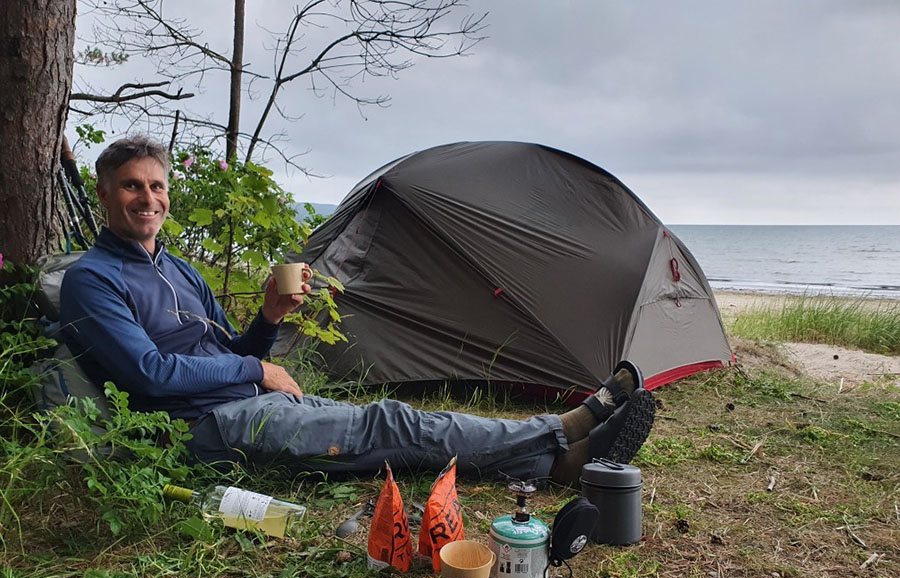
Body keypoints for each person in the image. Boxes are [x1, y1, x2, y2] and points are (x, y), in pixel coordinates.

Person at [60, 136, 655, 484]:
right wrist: (256, 371)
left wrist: (268, 320)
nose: (148, 198)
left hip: (244, 402)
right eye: (132, 186)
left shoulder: (179, 268)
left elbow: (230, 355)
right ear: (104, 191)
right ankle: (559, 436)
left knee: (381, 437)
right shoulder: (92, 279)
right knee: (389, 422)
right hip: (199, 429)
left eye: (157, 186)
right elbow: (149, 374)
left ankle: (558, 458)